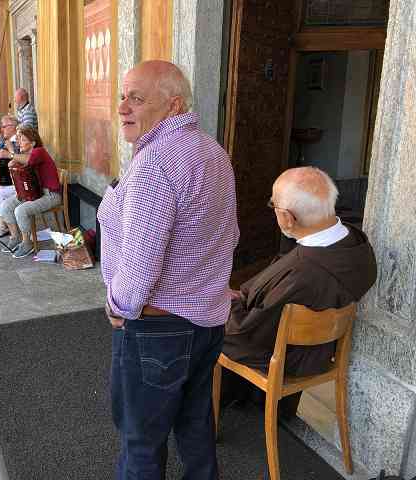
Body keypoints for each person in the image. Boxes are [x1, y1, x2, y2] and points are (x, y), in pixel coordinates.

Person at [97, 60, 239, 480]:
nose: (123, 106)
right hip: (207, 323)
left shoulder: (155, 162)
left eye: (137, 98)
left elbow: (140, 267)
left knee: (140, 442)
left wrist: (118, 306)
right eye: (123, 95)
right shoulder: (212, 151)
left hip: (158, 329)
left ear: (173, 104)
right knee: (195, 426)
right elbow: (230, 236)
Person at [221, 166, 377, 417]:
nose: (273, 211)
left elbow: (244, 332)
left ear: (288, 218)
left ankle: (213, 406)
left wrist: (227, 303)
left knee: (206, 323)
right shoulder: (356, 243)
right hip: (319, 348)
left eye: (273, 205)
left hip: (291, 358)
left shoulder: (303, 274)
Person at [0, 125, 61, 258]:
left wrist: (10, 154)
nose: (19, 142)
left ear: (32, 142)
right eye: (18, 139)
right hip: (34, 192)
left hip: (50, 195)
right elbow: (13, 166)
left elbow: (28, 160)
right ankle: (15, 237)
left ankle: (27, 243)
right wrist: (14, 160)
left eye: (22, 139)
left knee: (20, 210)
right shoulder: (25, 154)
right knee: (5, 205)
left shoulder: (39, 151)